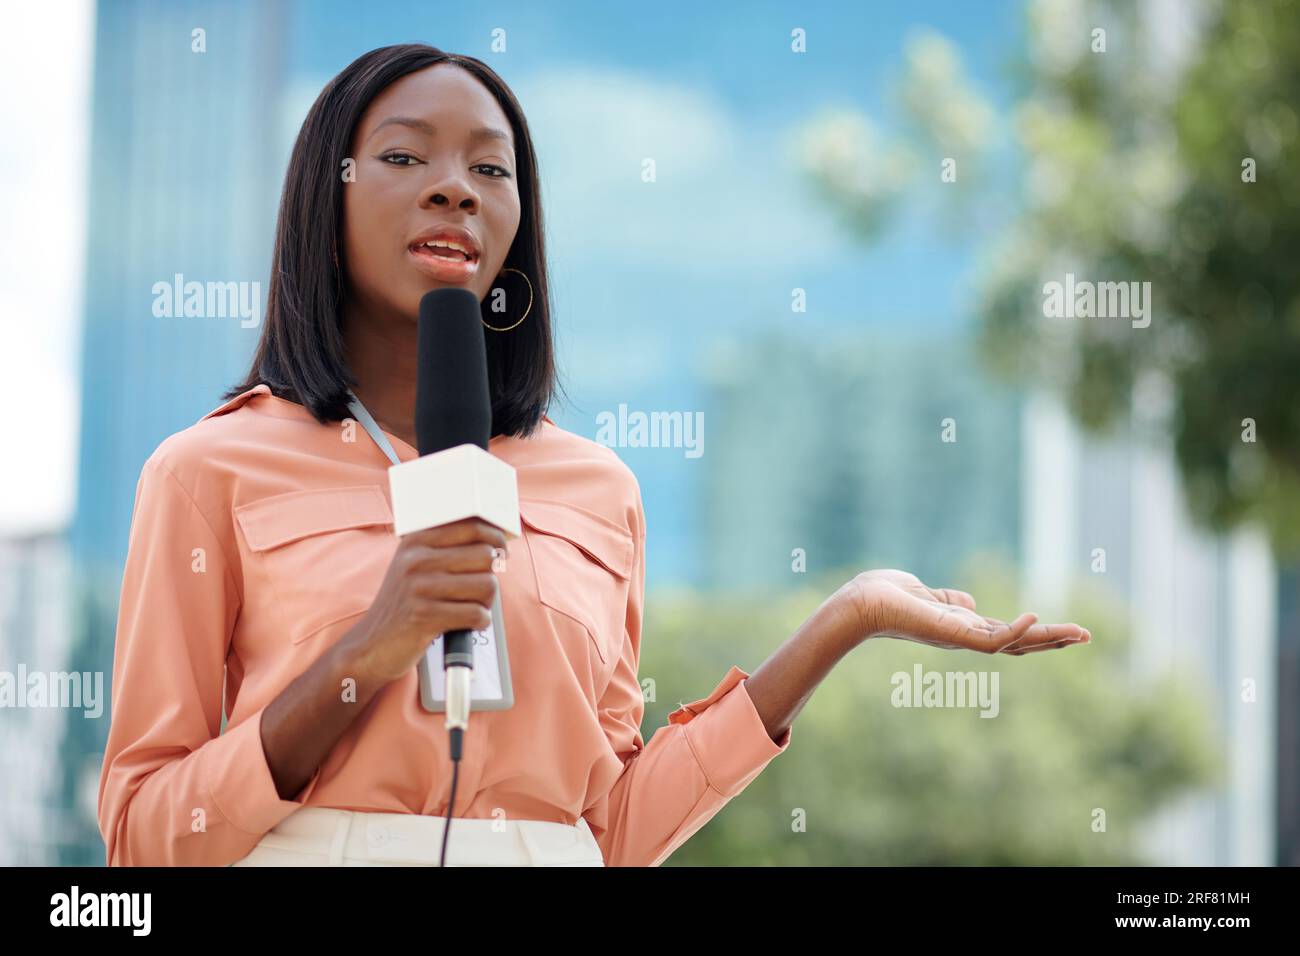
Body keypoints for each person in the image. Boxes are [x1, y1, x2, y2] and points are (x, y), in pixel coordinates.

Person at [97, 44, 1089, 868]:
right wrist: (365, 654)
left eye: (492, 169)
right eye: (406, 158)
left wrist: (842, 619)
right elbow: (143, 833)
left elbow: (612, 830)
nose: (455, 187)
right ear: (330, 194)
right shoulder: (208, 471)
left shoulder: (597, 489)